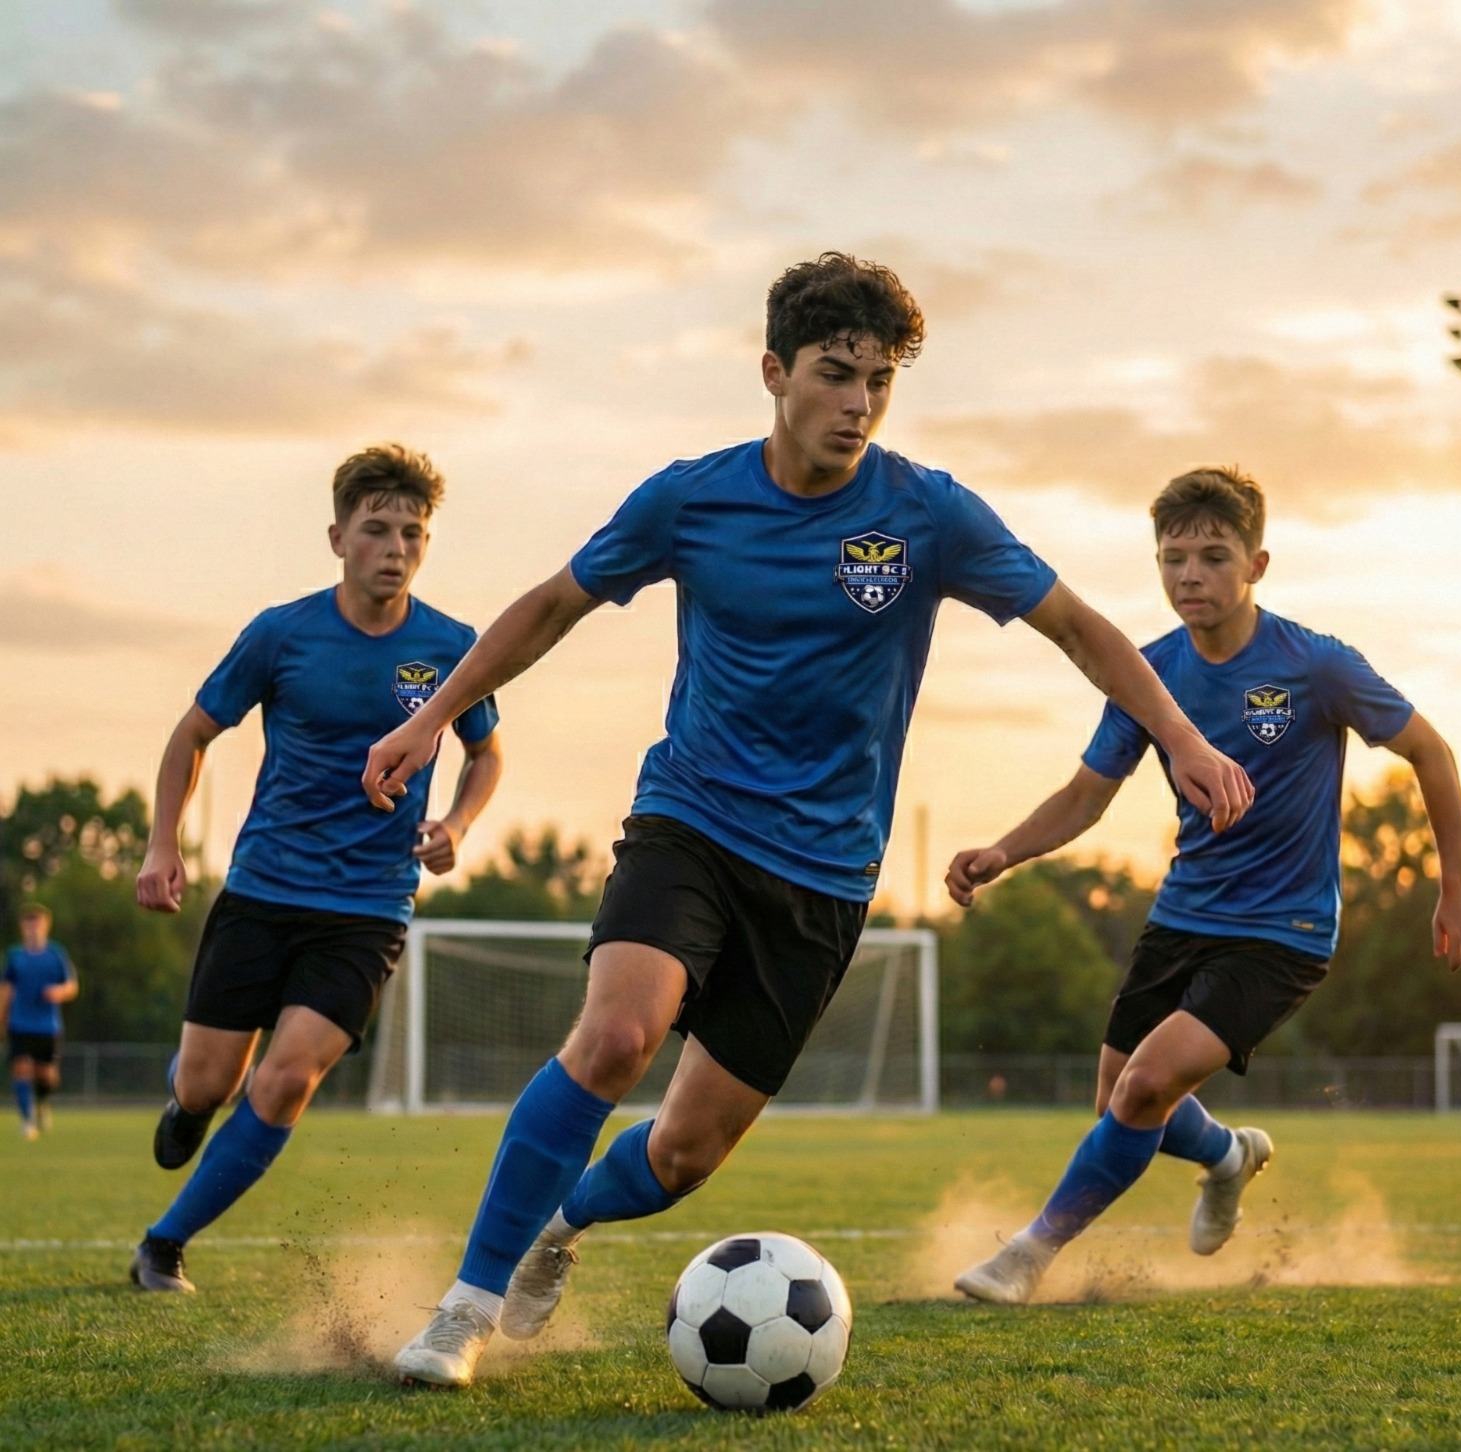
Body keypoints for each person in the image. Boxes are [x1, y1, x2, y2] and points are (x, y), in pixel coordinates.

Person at [363, 253, 1254, 1388]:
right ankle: (463, 1309)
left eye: (880, 382)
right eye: (837, 375)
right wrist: (434, 717)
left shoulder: (928, 514)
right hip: (688, 820)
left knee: (684, 1153)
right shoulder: (691, 497)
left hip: (824, 877)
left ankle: (560, 1224)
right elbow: (549, 605)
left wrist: (1181, 737)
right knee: (618, 1035)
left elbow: (1080, 628)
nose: (859, 405)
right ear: (775, 371)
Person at [948, 465, 1461, 1305]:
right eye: (1172, 559)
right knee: (1120, 1098)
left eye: (1212, 556)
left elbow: (1432, 751)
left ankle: (1027, 1255)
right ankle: (1227, 1155)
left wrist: (1457, 885)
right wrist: (1004, 851)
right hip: (1182, 916)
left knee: (1143, 1089)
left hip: (1284, 931)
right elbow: (1087, 796)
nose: (1189, 576)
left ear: (1257, 566)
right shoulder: (1148, 672)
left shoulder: (1316, 665)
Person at [128, 444, 503, 1294]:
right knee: (208, 1080)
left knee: (287, 1077)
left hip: (369, 908)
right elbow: (192, 735)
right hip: (262, 891)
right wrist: (162, 845)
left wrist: (458, 822)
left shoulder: (451, 647)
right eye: (377, 529)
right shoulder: (281, 634)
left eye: (413, 532)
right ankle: (186, 1103)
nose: (396, 547)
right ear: (338, 538)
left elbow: (486, 755)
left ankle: (163, 1244)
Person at [3, 904, 78, 1139]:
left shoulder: (56, 954)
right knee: (22, 1069)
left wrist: (59, 992)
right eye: (29, 925)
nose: (33, 929)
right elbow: (6, 989)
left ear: (46, 926)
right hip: (20, 1023)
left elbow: (72, 986)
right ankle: (28, 1121)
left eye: (38, 924)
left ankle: (42, 1102)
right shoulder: (15, 956)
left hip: (47, 1026)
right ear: (23, 927)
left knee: (46, 1075)